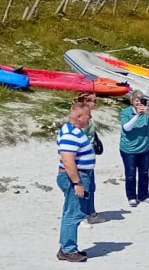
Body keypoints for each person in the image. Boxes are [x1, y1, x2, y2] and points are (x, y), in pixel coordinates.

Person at [55, 100, 95, 262]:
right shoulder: (70, 135)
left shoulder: (72, 130)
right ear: (79, 117)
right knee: (73, 214)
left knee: (72, 213)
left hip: (78, 176)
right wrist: (77, 183)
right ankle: (69, 250)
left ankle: (66, 246)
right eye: (88, 116)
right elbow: (68, 161)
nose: (90, 118)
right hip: (75, 177)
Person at [119, 90, 149, 207]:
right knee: (130, 174)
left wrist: (148, 113)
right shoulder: (126, 112)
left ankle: (144, 195)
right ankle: (131, 196)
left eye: (141, 101)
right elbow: (127, 127)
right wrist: (137, 115)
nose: (139, 103)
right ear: (132, 101)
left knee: (144, 172)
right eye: (136, 101)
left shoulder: (147, 111)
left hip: (144, 147)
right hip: (129, 149)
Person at [74, 92, 102, 224]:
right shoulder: (81, 120)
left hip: (90, 157)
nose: (96, 104)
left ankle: (92, 213)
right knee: (84, 187)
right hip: (82, 158)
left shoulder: (89, 119)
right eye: (93, 101)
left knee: (91, 186)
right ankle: (83, 216)